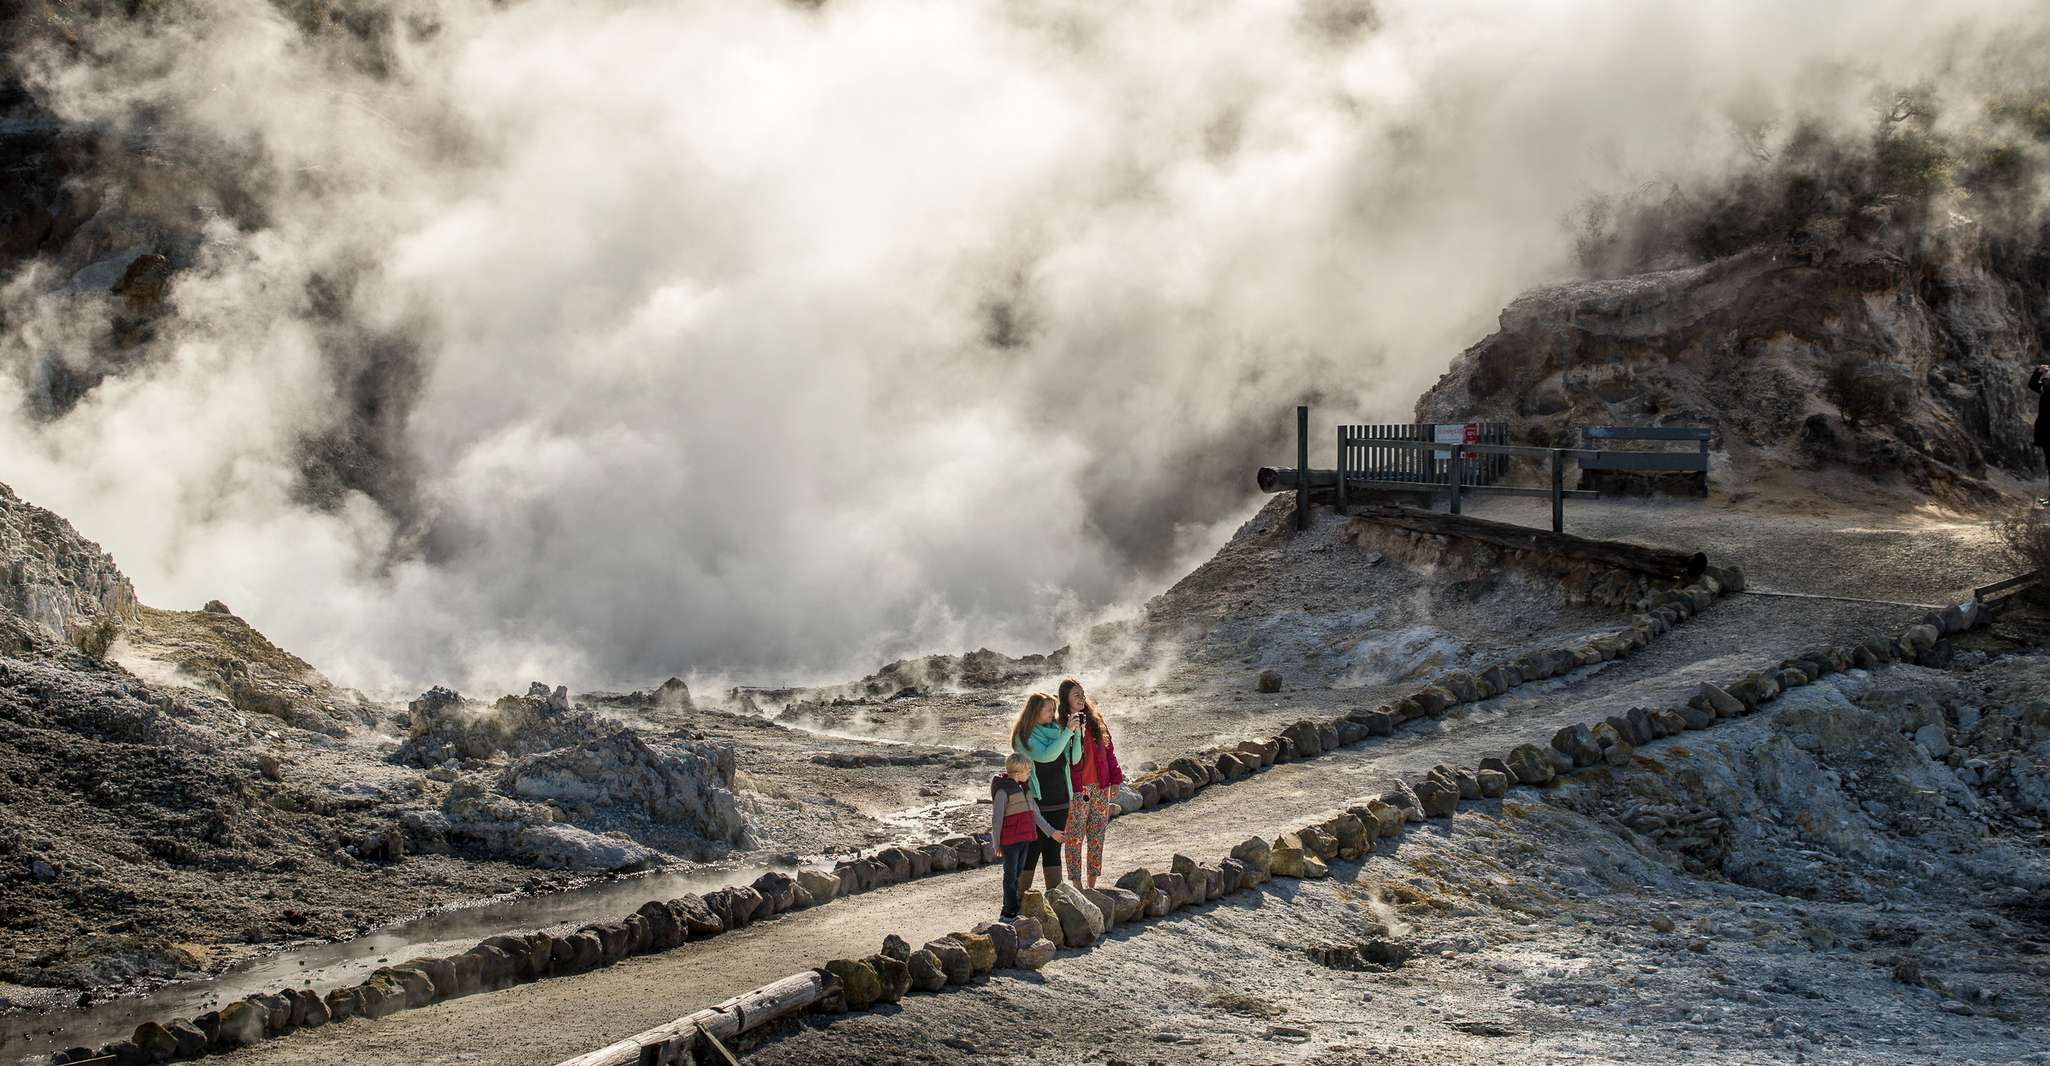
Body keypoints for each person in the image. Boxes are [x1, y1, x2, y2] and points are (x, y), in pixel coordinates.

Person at [1010, 691, 1079, 892]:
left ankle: (1057, 901)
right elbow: (1046, 755)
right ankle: (1017, 904)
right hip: (1036, 803)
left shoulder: (1056, 731)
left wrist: (1077, 732)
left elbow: (1073, 759)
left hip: (1060, 801)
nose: (1053, 713)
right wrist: (1067, 732)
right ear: (1034, 711)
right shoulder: (1024, 737)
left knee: (1053, 851)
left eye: (1054, 709)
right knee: (1031, 851)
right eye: (1048, 709)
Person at [1058, 678, 1123, 890]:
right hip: (1077, 790)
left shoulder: (1095, 720)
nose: (1081, 697)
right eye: (1076, 694)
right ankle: (1077, 884)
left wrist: (1115, 780)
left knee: (1097, 836)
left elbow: (1109, 752)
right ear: (1065, 699)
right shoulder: (1061, 724)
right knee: (1074, 838)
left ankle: (1092, 885)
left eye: (1082, 693)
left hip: (1100, 787)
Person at [991, 753, 1064, 919]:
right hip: (1010, 842)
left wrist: (1051, 832)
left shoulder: (1025, 789)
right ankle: (1008, 910)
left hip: (1025, 840)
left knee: (1017, 875)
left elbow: (1035, 815)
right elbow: (996, 820)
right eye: (1027, 772)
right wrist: (996, 844)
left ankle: (1013, 907)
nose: (1030, 774)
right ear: (1017, 773)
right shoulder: (1003, 791)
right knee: (1010, 876)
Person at [2031, 364, 2050, 505]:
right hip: (2045, 434)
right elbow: (2032, 385)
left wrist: (2047, 378)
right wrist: (2038, 372)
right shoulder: (2045, 388)